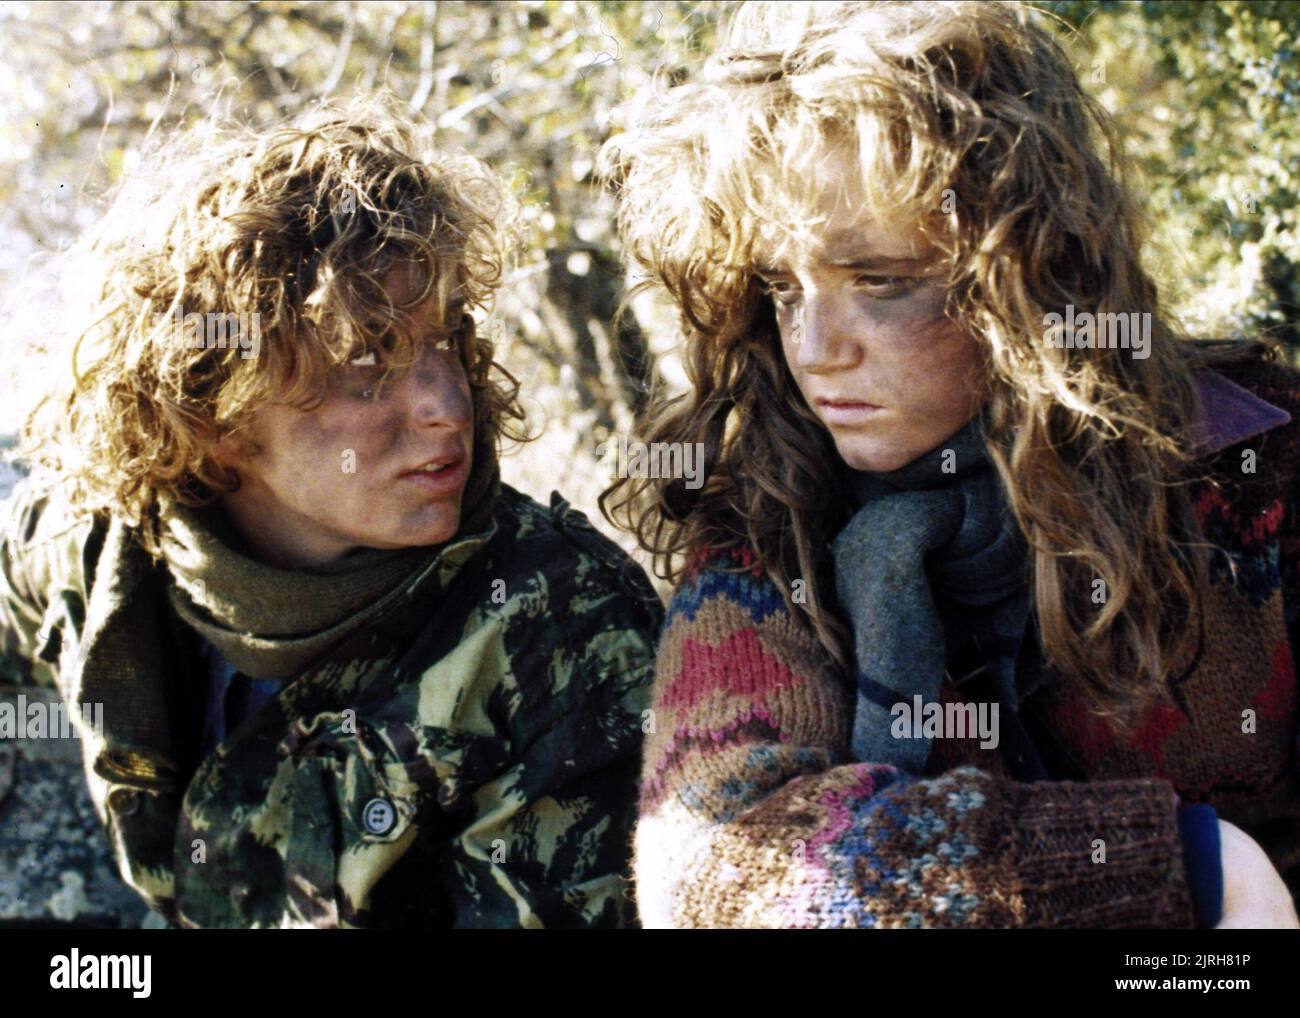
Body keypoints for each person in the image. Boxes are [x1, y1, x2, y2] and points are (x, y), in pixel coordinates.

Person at [598, 0, 1300, 928]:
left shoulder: (1251, 465)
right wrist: (1191, 865)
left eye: (880, 281)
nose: (814, 348)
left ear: (1025, 267)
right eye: (780, 285)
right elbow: (718, 862)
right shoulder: (774, 521)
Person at [0, 92, 662, 928]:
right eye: (368, 364)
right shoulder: (99, 549)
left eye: (448, 338)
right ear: (212, 418)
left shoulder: (559, 629)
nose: (447, 404)